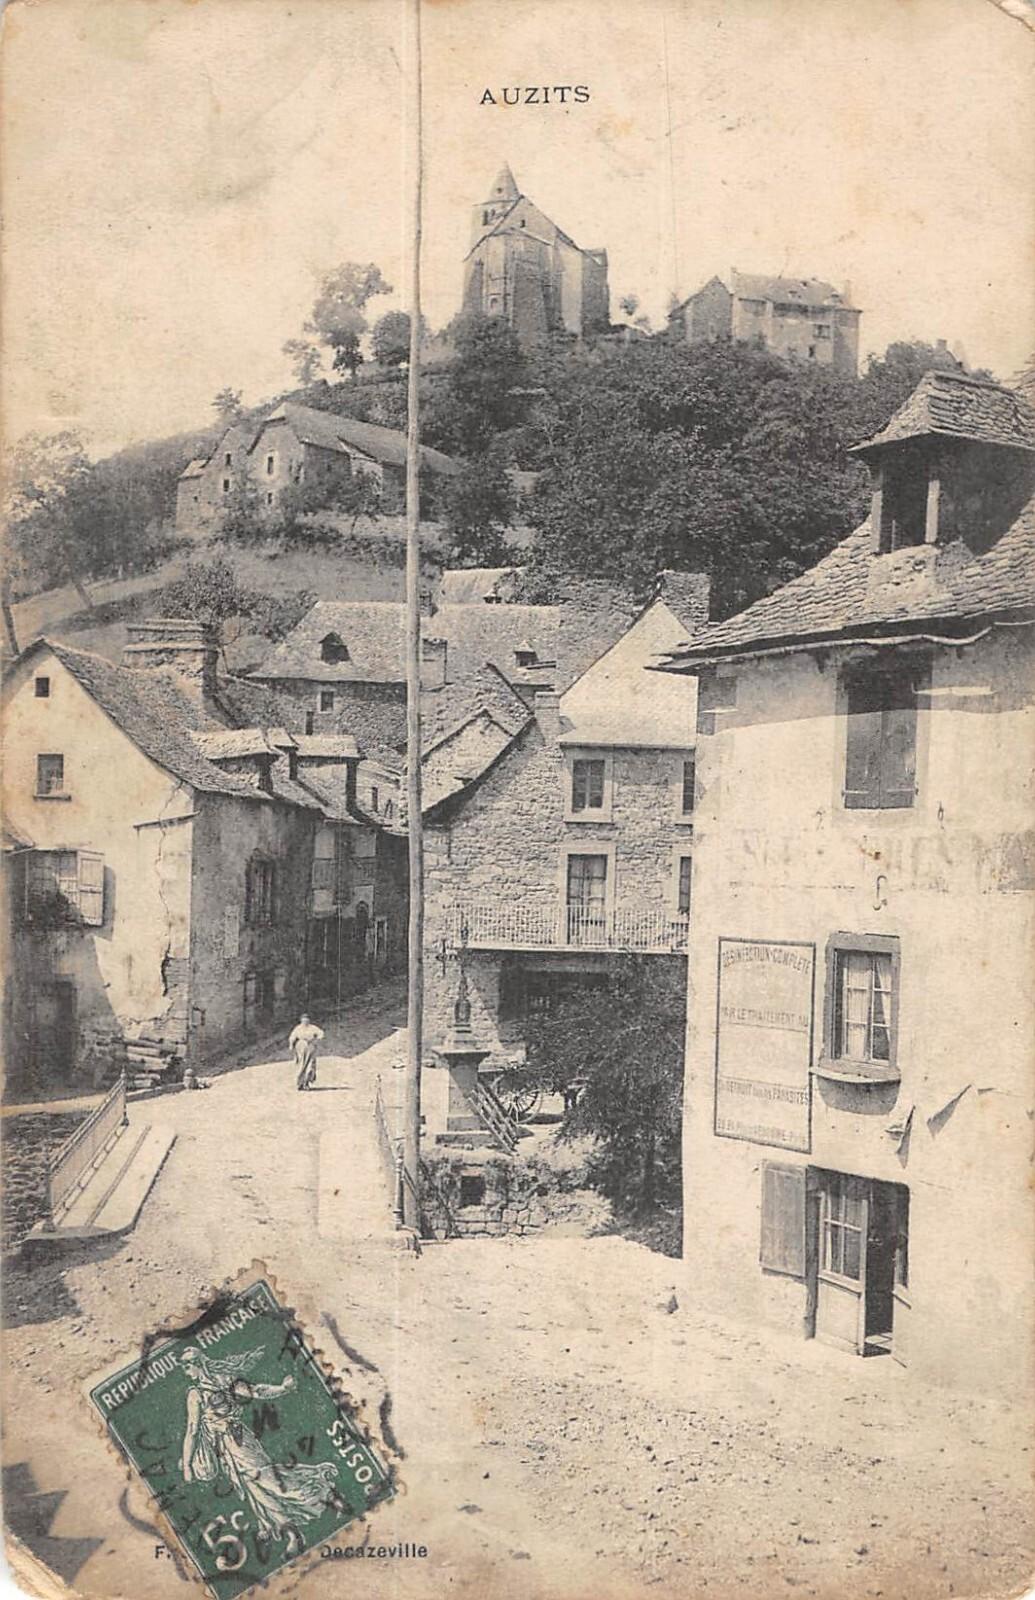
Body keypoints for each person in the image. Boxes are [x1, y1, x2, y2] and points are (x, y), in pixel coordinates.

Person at [179, 1346, 340, 1557]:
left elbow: (255, 1391)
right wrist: (188, 1463)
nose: (185, 1371)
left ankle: (324, 1492)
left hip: (239, 1443)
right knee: (256, 1490)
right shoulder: (201, 1390)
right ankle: (292, 1533)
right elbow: (193, 1429)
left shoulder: (215, 1385)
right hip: (226, 1452)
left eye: (186, 1366)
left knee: (267, 1480)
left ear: (197, 1364)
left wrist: (282, 1389)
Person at [289, 1014, 324, 1091]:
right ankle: (300, 1083)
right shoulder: (298, 1028)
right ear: (301, 1020)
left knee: (310, 1065)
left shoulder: (312, 1028)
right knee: (301, 1065)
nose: (305, 1021)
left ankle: (306, 1083)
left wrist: (316, 1039)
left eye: (307, 1019)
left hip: (310, 1046)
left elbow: (321, 1033)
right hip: (301, 1046)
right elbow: (292, 1037)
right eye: (304, 1019)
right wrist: (291, 1045)